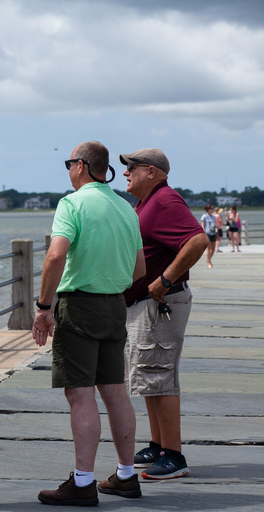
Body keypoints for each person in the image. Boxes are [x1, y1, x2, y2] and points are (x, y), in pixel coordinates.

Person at [33, 141, 145, 506]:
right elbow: (140, 270)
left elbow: (55, 255)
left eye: (68, 163)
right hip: (115, 306)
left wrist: (43, 306)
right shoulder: (126, 207)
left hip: (79, 306)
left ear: (81, 166)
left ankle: (83, 483)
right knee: (114, 391)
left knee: (79, 394)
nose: (68, 170)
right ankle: (126, 476)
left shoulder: (72, 203)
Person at [121, 148, 208, 480]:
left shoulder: (166, 200)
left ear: (152, 172)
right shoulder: (148, 202)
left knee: (160, 374)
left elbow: (197, 240)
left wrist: (164, 279)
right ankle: (158, 445)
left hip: (161, 303)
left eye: (132, 168)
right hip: (146, 305)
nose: (126, 174)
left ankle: (173, 455)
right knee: (149, 375)